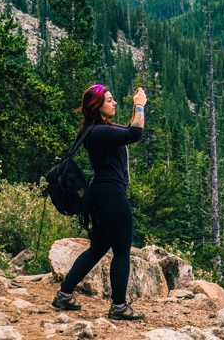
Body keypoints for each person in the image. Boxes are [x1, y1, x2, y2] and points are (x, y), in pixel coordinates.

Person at [52, 84, 147, 321]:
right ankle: (119, 306)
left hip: (101, 194)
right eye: (110, 100)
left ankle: (64, 293)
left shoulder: (97, 130)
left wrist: (136, 109)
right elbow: (134, 134)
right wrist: (140, 106)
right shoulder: (99, 132)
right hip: (111, 194)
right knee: (122, 250)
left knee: (98, 247)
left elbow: (125, 131)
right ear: (98, 106)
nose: (114, 103)